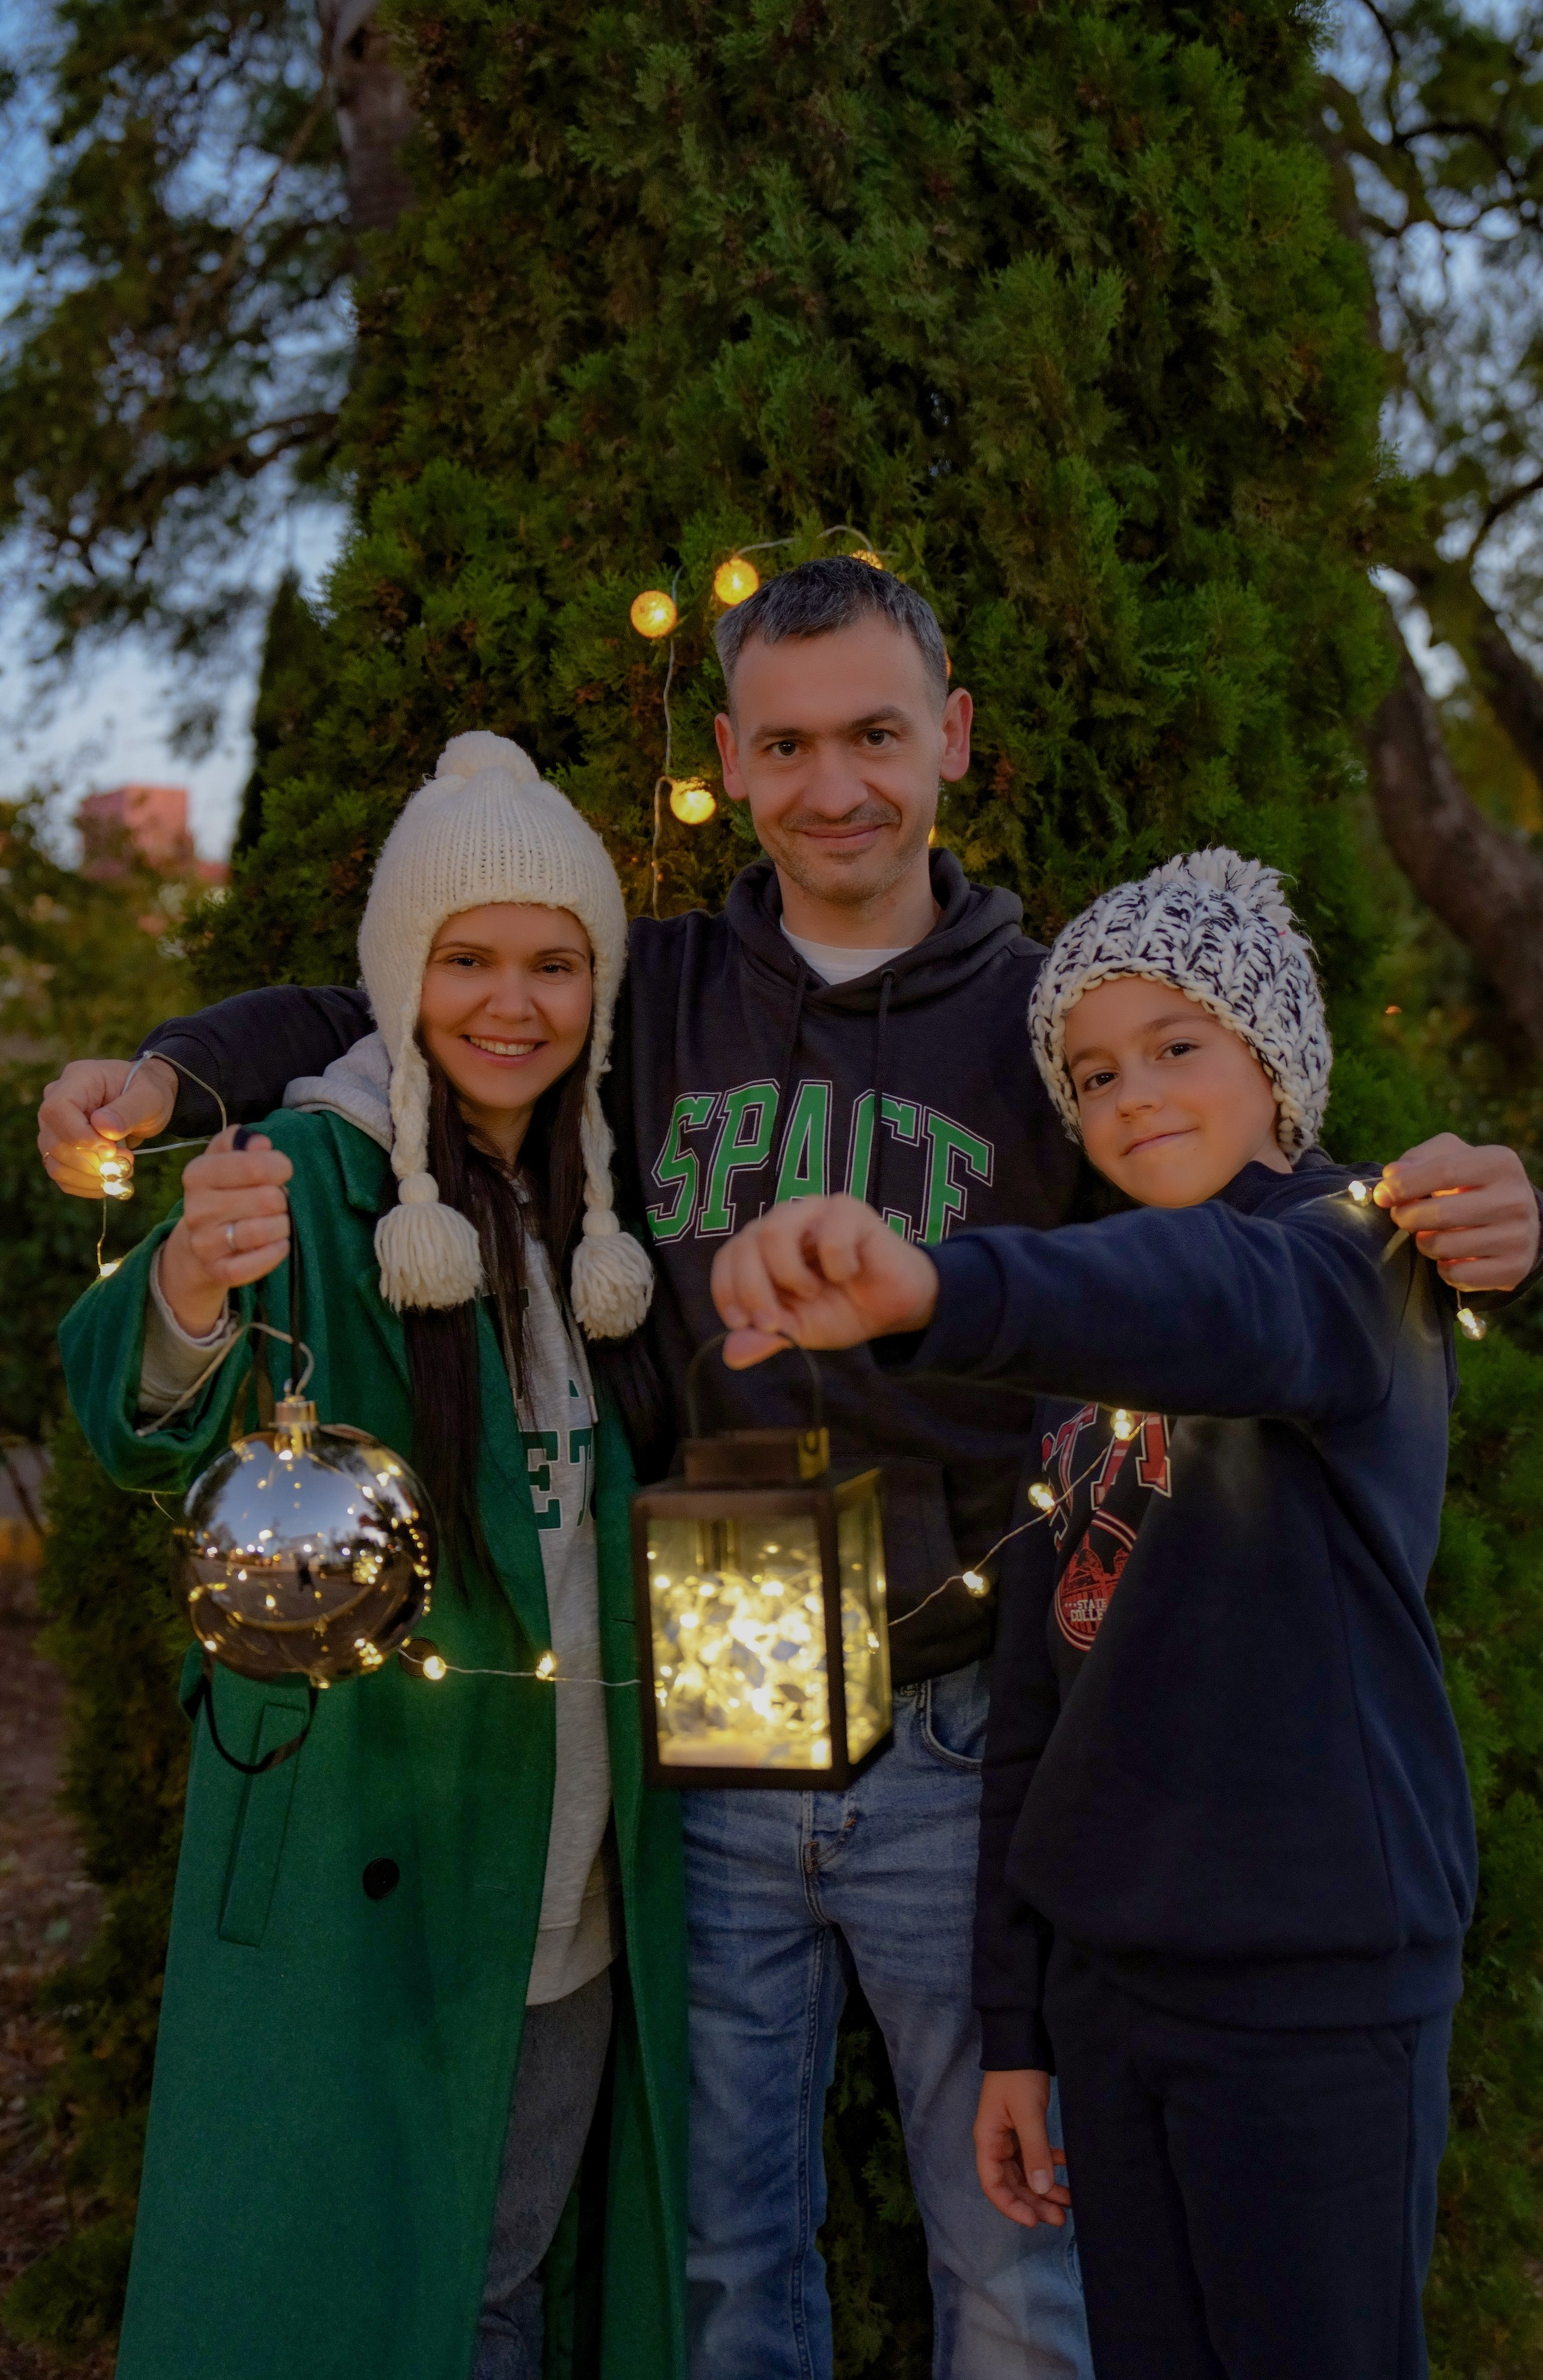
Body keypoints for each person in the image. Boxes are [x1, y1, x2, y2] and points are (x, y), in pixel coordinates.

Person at [37, 565, 1541, 2380]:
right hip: (707, 1733)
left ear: (953, 740)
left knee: (1017, 2262)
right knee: (730, 2262)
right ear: (735, 764)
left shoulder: (1052, 1023)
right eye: (792, 743)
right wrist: (168, 1078)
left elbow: (1216, 1206)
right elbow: (374, 1014)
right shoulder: (649, 988)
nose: (839, 785)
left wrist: (1441, 1209)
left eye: (879, 736)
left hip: (970, 1720)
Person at [705, 848, 1490, 2380]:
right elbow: (1035, 1700)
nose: (1129, 1093)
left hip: (1310, 1991)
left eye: (1175, 1047)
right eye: (1090, 1070)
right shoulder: (1084, 1365)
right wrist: (1017, 2025)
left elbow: (1219, 1296)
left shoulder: (1355, 1258)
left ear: (1272, 1059)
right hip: (1112, 1994)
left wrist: (935, 1286)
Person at [57, 736, 686, 2380]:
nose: (512, 1000)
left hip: (576, 1882)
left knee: (501, 2282)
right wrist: (192, 1281)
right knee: (352, 2293)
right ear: (399, 974)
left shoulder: (606, 1207)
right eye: (465, 957)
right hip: (375, 1861)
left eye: (553, 962)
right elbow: (141, 1413)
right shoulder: (323, 1174)